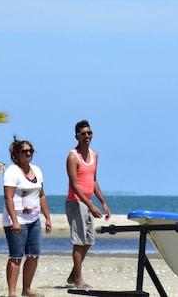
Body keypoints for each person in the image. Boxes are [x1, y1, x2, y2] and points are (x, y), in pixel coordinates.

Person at [2, 137, 52, 297]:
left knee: (33, 255)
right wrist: (15, 221)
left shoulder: (37, 170)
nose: (28, 154)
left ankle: (26, 289)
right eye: (24, 151)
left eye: (30, 151)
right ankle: (12, 292)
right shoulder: (12, 172)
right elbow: (8, 198)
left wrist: (47, 217)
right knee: (16, 257)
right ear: (17, 154)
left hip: (34, 220)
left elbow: (41, 195)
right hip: (17, 221)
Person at [64, 119, 110, 290]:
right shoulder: (73, 156)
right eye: (83, 134)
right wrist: (90, 206)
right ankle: (78, 279)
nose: (87, 136)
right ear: (77, 136)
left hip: (88, 201)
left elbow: (93, 180)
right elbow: (74, 184)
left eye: (89, 133)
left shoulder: (94, 155)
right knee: (79, 241)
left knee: (89, 240)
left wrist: (103, 202)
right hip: (75, 202)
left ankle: (73, 274)